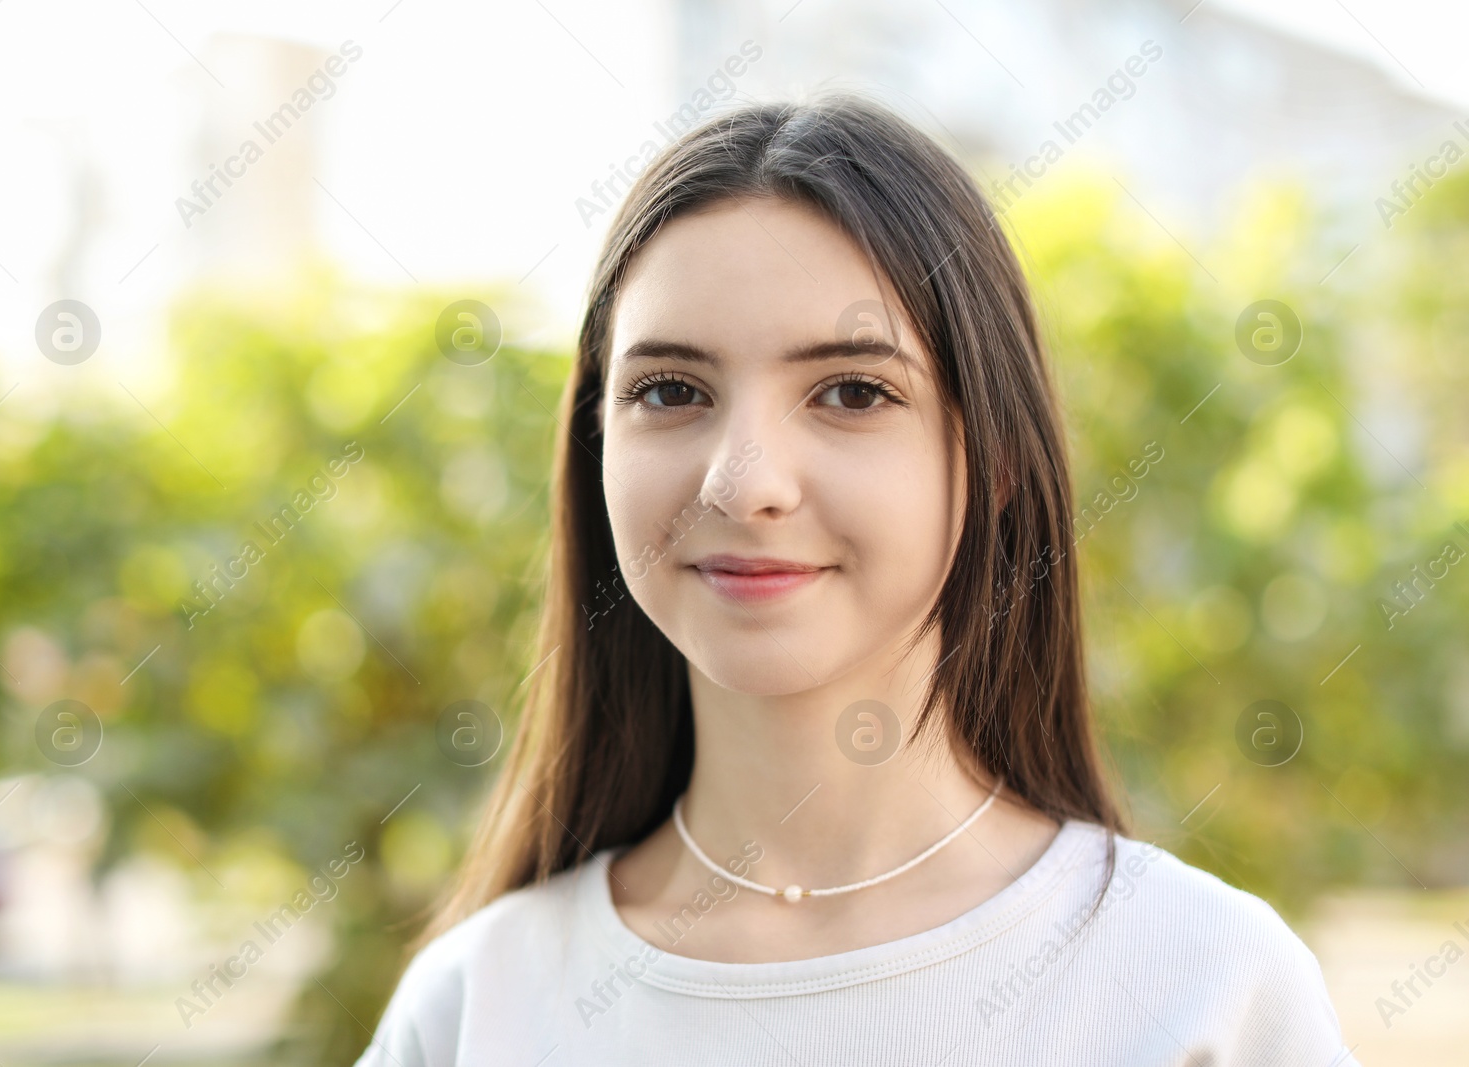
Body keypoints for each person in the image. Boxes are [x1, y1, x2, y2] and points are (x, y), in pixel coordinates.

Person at [353, 94, 1355, 1065]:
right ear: (593, 448)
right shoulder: (477, 1007)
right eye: (669, 390)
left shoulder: (1206, 987)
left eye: (850, 391)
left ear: (997, 458)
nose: (742, 483)